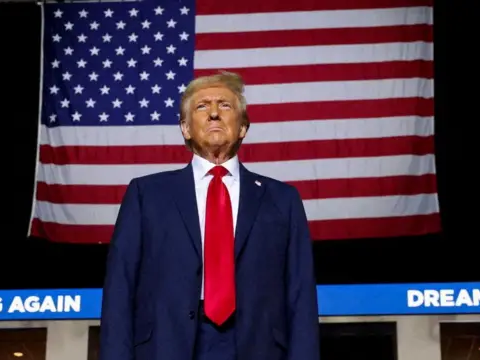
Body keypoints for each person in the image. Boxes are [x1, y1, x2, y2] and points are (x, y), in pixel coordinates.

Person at [99, 71, 320, 360]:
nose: (214, 113)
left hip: (257, 346)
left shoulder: (282, 200)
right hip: (166, 346)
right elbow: (119, 288)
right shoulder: (146, 194)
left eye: (225, 106)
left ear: (242, 127)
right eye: (202, 106)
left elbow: (301, 296)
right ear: (185, 128)